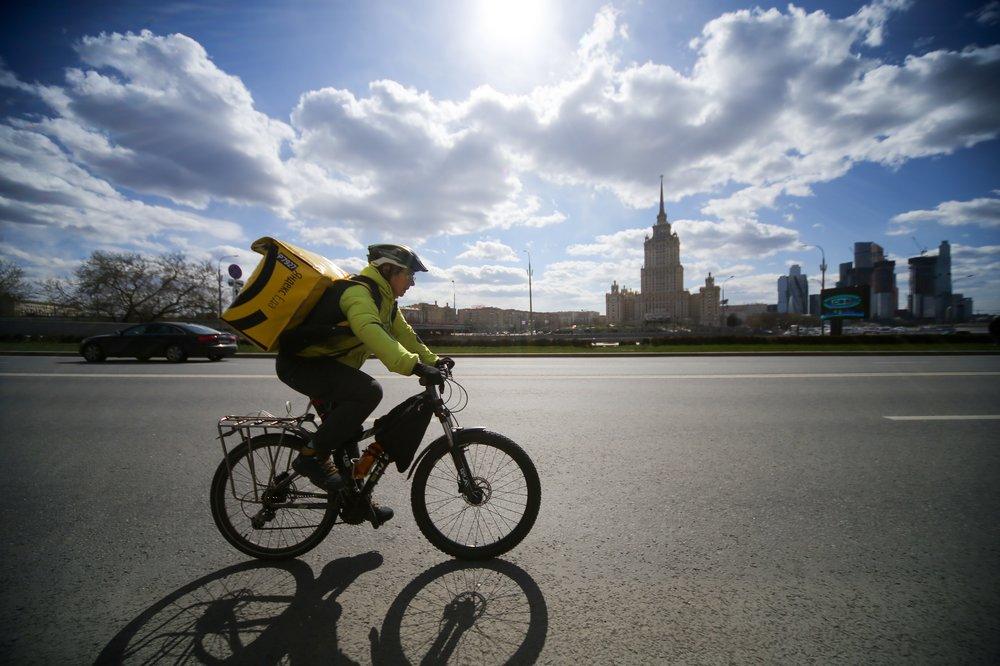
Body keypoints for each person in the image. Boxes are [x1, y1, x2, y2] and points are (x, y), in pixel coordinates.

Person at [275, 243, 455, 527]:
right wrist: (413, 366)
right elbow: (370, 331)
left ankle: (357, 500)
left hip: (324, 365)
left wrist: (432, 359)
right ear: (389, 269)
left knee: (348, 433)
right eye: (409, 274)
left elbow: (404, 334)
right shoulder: (358, 294)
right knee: (368, 391)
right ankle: (311, 457)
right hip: (301, 366)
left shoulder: (385, 301)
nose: (412, 281)